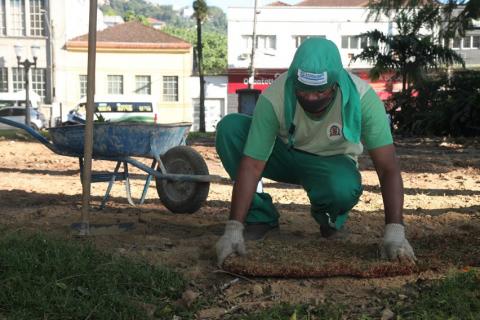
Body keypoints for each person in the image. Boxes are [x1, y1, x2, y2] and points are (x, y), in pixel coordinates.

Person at [215, 38, 416, 266]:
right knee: (230, 129)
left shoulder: (363, 99)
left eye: (320, 92)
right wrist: (233, 228)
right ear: (294, 81)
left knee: (342, 186)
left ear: (336, 84)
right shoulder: (275, 96)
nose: (311, 98)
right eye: (303, 92)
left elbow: (387, 167)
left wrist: (395, 230)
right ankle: (258, 216)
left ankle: (328, 219)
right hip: (284, 154)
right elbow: (252, 165)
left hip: (330, 165)